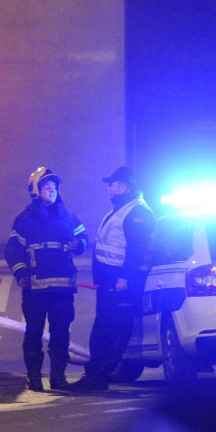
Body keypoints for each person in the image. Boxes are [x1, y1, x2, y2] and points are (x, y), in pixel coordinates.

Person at [5, 166, 88, 391]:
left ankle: (58, 378)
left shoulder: (68, 216)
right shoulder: (24, 219)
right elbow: (13, 250)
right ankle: (34, 378)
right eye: (46, 188)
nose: (51, 192)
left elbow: (83, 238)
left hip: (62, 290)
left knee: (61, 335)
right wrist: (21, 273)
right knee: (33, 334)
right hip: (35, 290)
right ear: (35, 190)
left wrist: (79, 244)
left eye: (54, 188)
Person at [71, 166, 155, 391]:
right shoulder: (124, 209)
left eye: (112, 185)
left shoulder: (137, 213)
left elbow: (138, 249)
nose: (109, 189)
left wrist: (125, 277)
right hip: (111, 281)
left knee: (110, 329)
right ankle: (97, 373)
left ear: (124, 186)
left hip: (120, 283)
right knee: (104, 326)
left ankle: (99, 376)